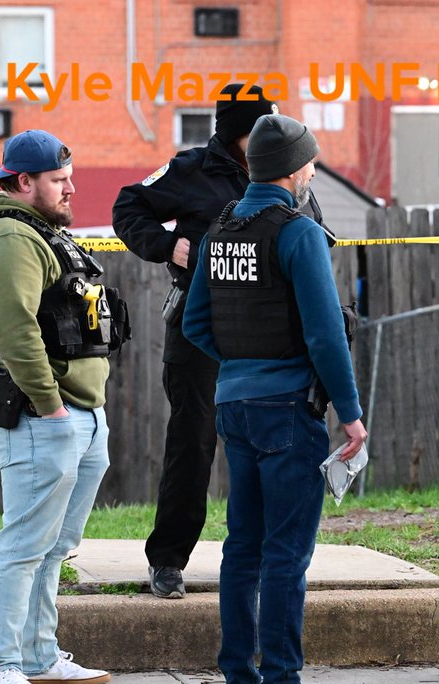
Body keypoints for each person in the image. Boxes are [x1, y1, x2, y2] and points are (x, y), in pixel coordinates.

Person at [182, 114, 367, 684]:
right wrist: (351, 412)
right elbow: (324, 332)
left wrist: (241, 368)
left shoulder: (222, 229)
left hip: (233, 406)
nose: (312, 170)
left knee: (244, 550)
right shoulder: (299, 231)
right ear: (294, 169)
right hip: (289, 409)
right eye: (310, 161)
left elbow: (195, 324)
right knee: (288, 553)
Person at [0, 130, 126, 684]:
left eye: (68, 176)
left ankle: (38, 655)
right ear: (23, 181)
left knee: (56, 544)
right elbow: (15, 333)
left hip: (77, 411)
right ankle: (2, 665)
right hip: (38, 412)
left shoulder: (42, 232)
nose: (69, 186)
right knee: (24, 543)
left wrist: (79, 411)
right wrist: (53, 407)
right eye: (58, 180)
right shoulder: (7, 236)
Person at [112, 86, 278, 600]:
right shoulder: (191, 169)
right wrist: (168, 245)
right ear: (233, 134)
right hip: (198, 327)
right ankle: (167, 561)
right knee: (193, 441)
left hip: (263, 331)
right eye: (258, 129)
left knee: (270, 440)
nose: (267, 138)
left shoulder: (281, 168)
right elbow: (129, 204)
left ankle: (270, 557)